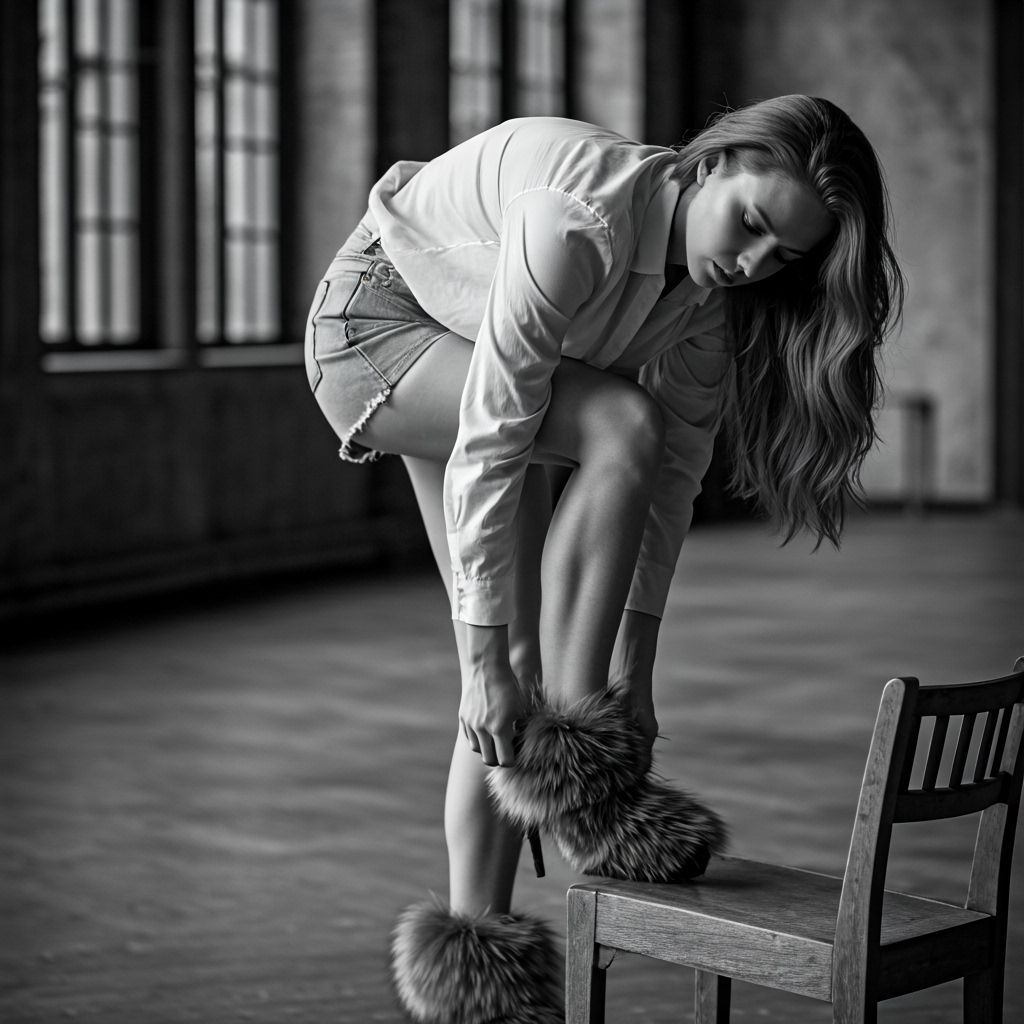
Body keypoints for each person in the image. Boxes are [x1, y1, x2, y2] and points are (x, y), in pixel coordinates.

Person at [305, 94, 903, 1023]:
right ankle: (584, 779)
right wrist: (497, 678)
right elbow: (495, 444)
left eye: (780, 258)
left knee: (513, 675)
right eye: (748, 224)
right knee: (618, 424)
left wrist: (637, 680)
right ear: (709, 164)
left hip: (477, 351)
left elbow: (671, 488)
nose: (749, 265)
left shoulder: (708, 298)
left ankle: (478, 977)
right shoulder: (577, 219)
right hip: (377, 323)